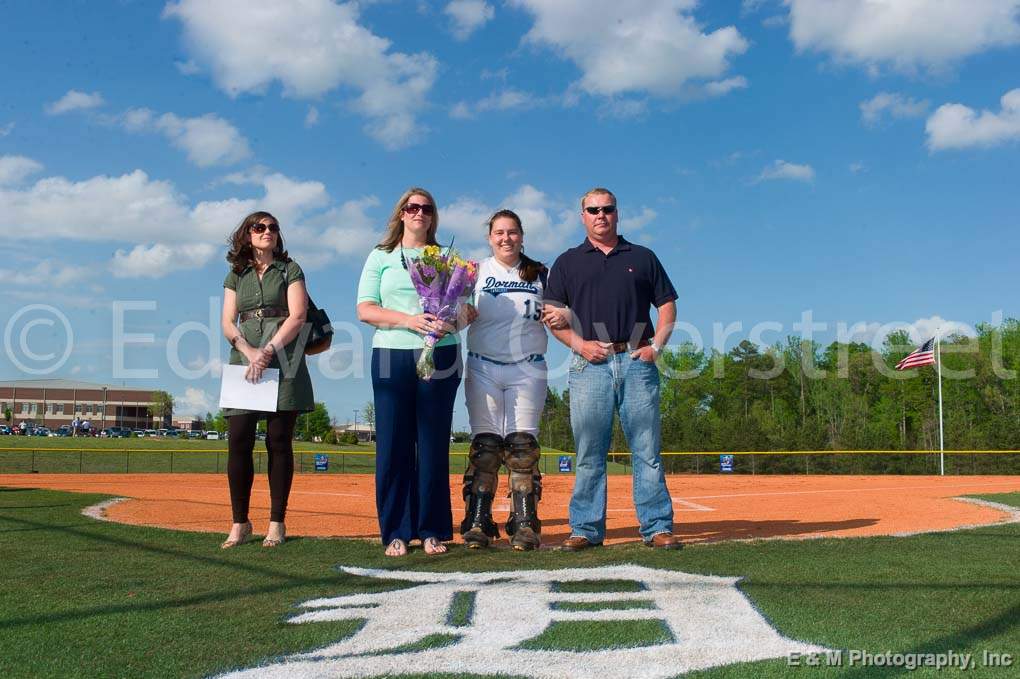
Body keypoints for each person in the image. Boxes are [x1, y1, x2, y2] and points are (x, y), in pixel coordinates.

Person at [544, 187, 683, 551]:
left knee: (646, 449)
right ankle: (585, 529)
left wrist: (656, 347)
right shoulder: (567, 262)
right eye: (593, 210)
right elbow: (553, 318)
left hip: (637, 362)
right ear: (582, 216)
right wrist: (581, 345)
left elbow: (667, 307)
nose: (600, 215)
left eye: (607, 209)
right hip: (590, 364)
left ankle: (657, 527)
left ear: (617, 213)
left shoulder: (642, 256)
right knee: (590, 451)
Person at [357, 187, 470, 557]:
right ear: (401, 213)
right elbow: (366, 309)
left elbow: (467, 311)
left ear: (433, 216)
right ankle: (396, 531)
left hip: (442, 355)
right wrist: (409, 320)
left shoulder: (446, 259)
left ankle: (434, 529)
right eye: (412, 207)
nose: (419, 212)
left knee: (434, 445)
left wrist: (448, 324)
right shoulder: (381, 256)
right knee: (393, 446)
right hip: (391, 354)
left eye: (426, 208)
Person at [460, 209, 565, 551]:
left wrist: (564, 315)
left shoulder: (540, 273)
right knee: (486, 446)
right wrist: (460, 314)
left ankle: (525, 522)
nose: (506, 238)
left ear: (522, 235)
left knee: (522, 448)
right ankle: (478, 520)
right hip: (483, 366)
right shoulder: (473, 272)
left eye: (512, 232)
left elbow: (563, 314)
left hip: (527, 367)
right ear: (489, 238)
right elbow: (454, 315)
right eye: (499, 233)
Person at [219, 211, 314, 549]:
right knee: (239, 440)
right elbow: (228, 322)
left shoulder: (290, 270)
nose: (268, 232)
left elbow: (299, 315)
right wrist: (248, 351)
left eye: (274, 227)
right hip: (244, 361)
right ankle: (239, 522)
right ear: (247, 234)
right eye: (260, 228)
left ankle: (277, 522)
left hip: (284, 359)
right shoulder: (236, 275)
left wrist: (268, 350)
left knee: (278, 441)